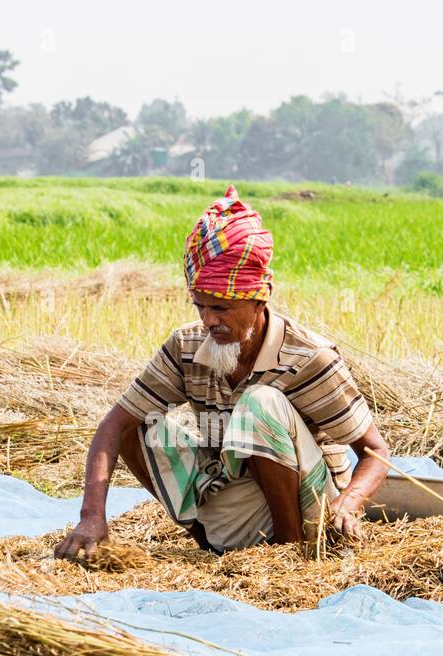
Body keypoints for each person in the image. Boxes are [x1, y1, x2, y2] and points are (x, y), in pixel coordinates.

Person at [55, 184, 390, 561]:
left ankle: (289, 552)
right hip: (238, 502)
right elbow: (112, 427)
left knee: (259, 402)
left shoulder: (309, 356)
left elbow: (376, 452)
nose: (208, 320)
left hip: (313, 509)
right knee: (140, 422)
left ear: (259, 299)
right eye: (200, 306)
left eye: (222, 308)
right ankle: (209, 542)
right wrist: (91, 517)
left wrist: (350, 504)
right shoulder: (186, 346)